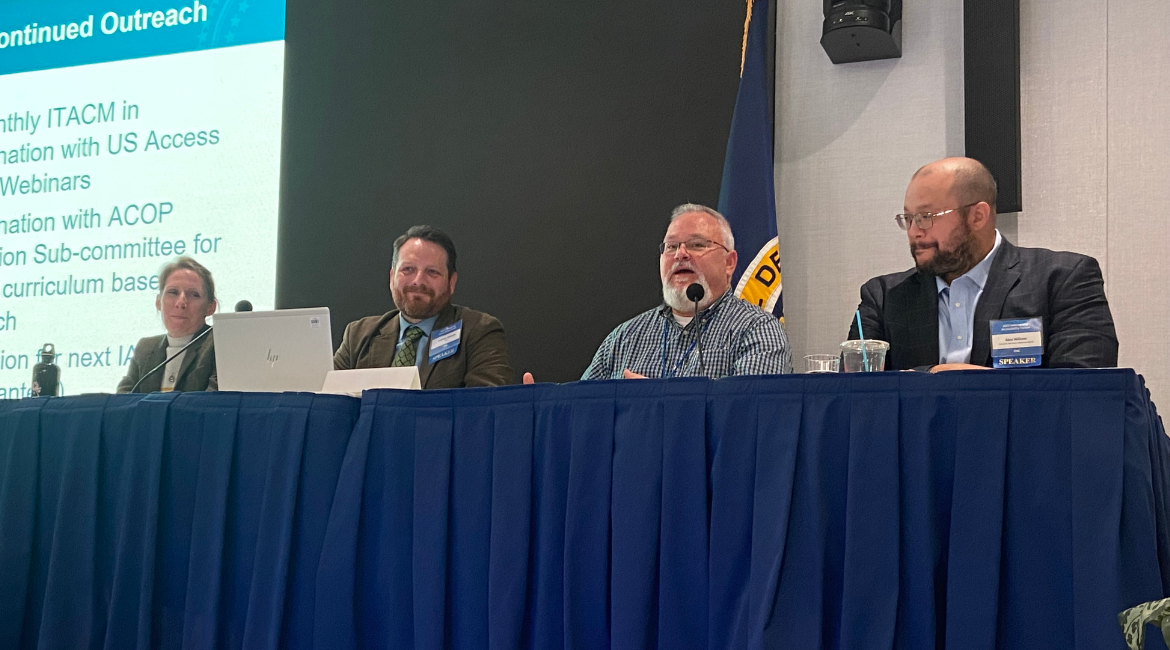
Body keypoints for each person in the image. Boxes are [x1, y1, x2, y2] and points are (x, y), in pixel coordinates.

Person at [849, 157, 1118, 371]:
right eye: (907, 219)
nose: (914, 231)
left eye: (926, 217)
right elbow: (854, 396)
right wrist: (932, 374)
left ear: (978, 216)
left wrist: (967, 382)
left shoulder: (1062, 280)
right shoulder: (885, 297)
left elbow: (1083, 388)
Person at [569, 203, 791, 380]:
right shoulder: (623, 338)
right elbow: (582, 415)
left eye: (697, 245)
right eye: (671, 246)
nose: (680, 254)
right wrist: (537, 408)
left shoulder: (758, 330)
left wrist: (655, 404)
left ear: (729, 263)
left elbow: (750, 417)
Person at [333, 225, 513, 388]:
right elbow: (325, 399)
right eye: (408, 269)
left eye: (432, 272)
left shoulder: (479, 331)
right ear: (392, 277)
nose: (418, 281)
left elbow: (484, 406)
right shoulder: (357, 335)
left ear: (451, 282)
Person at [117, 256, 219, 392]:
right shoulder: (145, 349)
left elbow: (212, 405)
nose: (181, 302)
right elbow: (122, 403)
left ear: (210, 307)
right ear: (158, 302)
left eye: (193, 294)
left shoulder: (220, 344)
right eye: (173, 292)